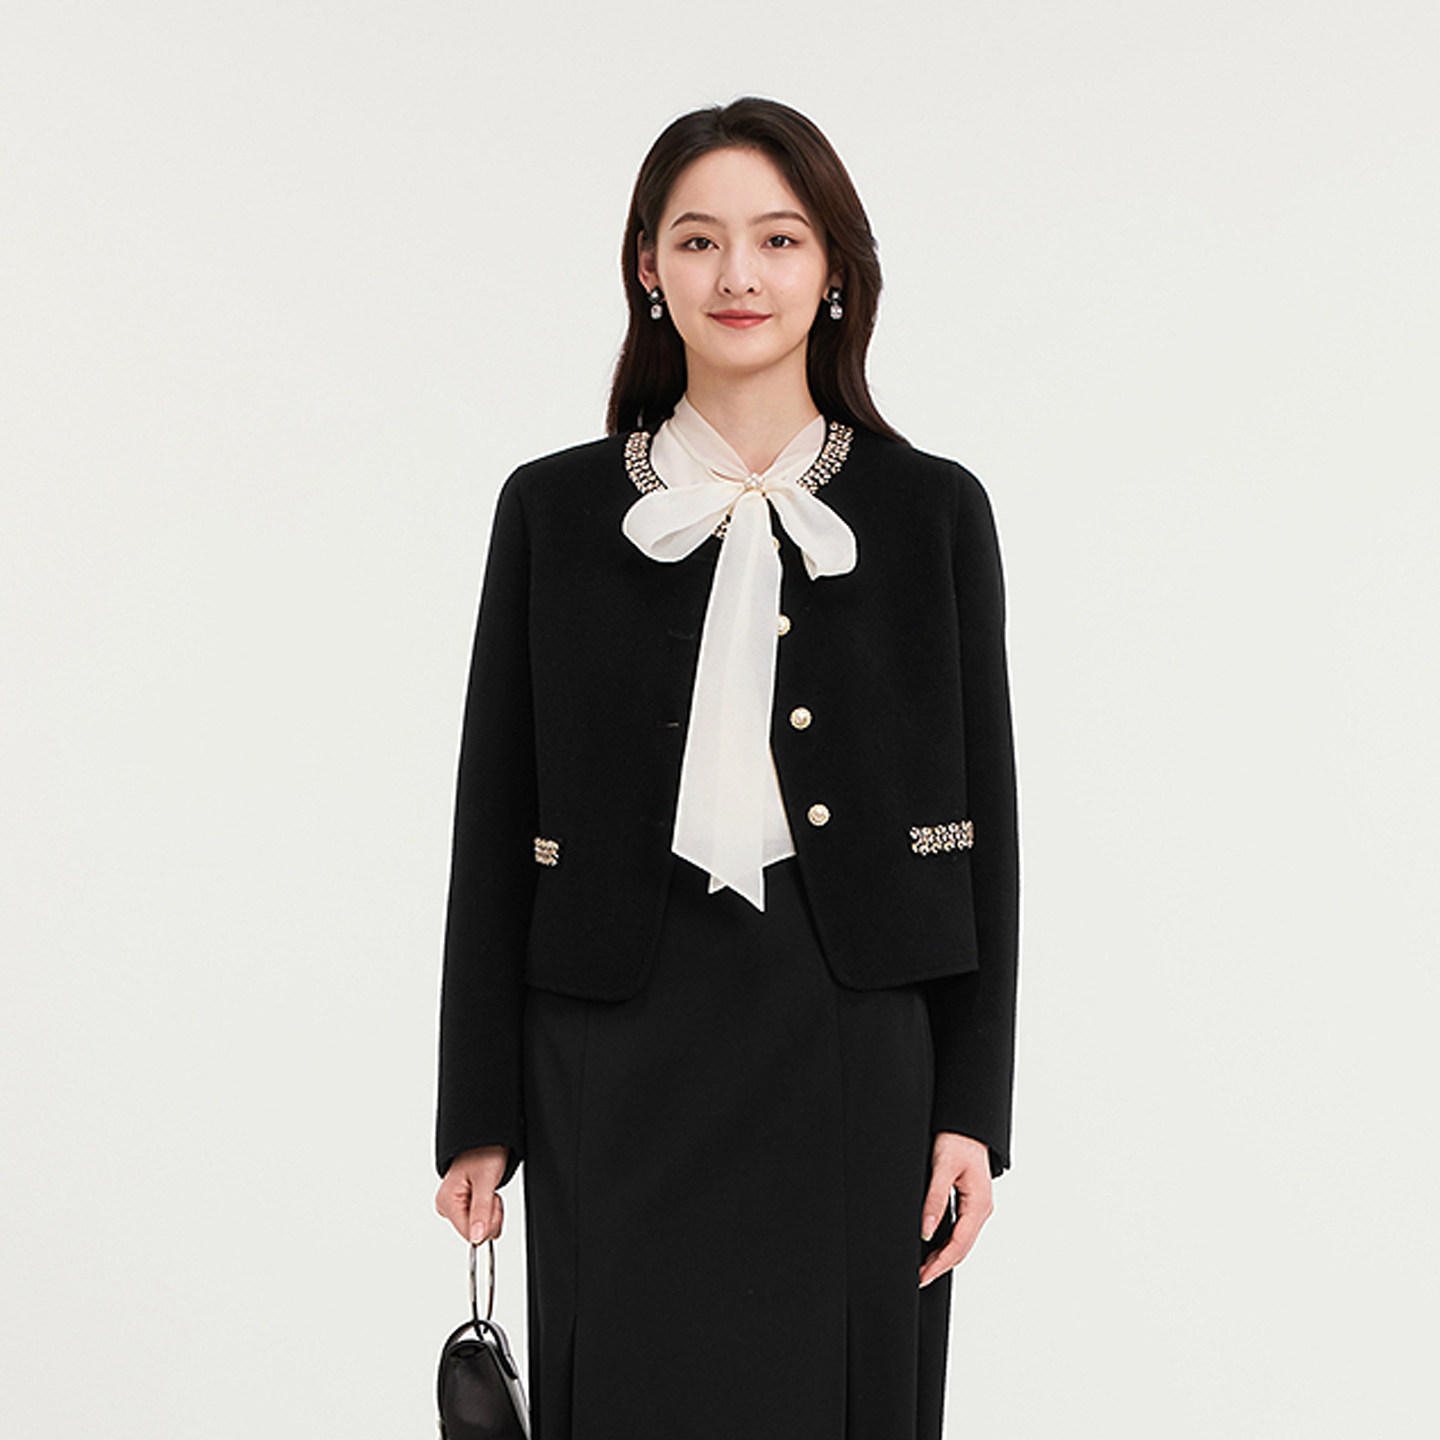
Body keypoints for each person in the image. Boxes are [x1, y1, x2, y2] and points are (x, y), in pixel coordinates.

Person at [433, 96, 1020, 1440]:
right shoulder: (552, 509)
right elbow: (491, 816)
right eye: (698, 240)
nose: (738, 275)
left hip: (858, 1040)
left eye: (779, 239)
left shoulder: (933, 510)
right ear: (649, 266)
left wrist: (972, 1110)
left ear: (834, 270)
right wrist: (477, 1111)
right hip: (609, 1041)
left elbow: (985, 827)